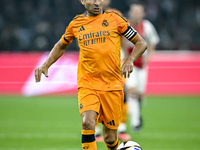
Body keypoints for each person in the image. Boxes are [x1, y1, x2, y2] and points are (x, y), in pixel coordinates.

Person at [35, 0, 147, 149]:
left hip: (112, 85)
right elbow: (61, 45)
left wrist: (130, 59)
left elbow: (141, 43)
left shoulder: (115, 19)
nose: (96, 2)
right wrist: (46, 65)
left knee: (110, 137)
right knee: (88, 122)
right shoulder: (76, 24)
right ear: (82, 1)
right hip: (88, 83)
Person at [94, 0, 131, 142]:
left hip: (116, 60)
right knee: (97, 94)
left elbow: (123, 36)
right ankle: (96, 132)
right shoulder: (88, 17)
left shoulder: (116, 14)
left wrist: (127, 58)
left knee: (123, 91)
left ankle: (121, 129)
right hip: (97, 62)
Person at [121, 2, 160, 133]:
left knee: (140, 96)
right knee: (131, 90)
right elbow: (120, 42)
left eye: (139, 11)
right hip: (128, 64)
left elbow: (153, 41)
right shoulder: (125, 26)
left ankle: (136, 113)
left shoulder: (147, 26)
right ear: (130, 13)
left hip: (142, 65)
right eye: (134, 11)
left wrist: (149, 56)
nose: (136, 14)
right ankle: (136, 123)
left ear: (143, 13)